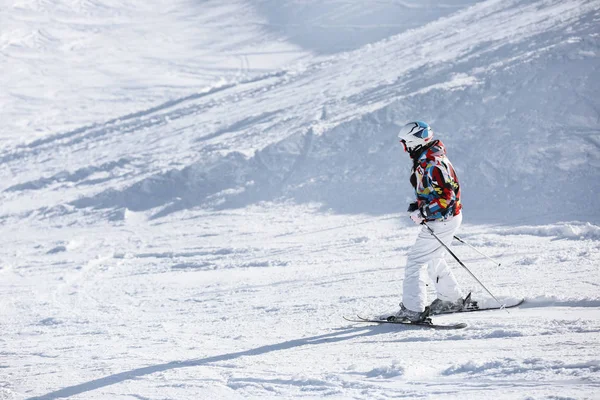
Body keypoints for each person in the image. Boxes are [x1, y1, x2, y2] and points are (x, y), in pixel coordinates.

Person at [390, 121, 472, 322]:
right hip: (446, 218)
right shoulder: (428, 159)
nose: (404, 148)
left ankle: (413, 309)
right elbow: (435, 193)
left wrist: (424, 212)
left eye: (405, 143)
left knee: (415, 262)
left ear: (415, 142)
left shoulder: (433, 163)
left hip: (442, 219)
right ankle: (450, 299)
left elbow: (447, 198)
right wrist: (419, 206)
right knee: (434, 258)